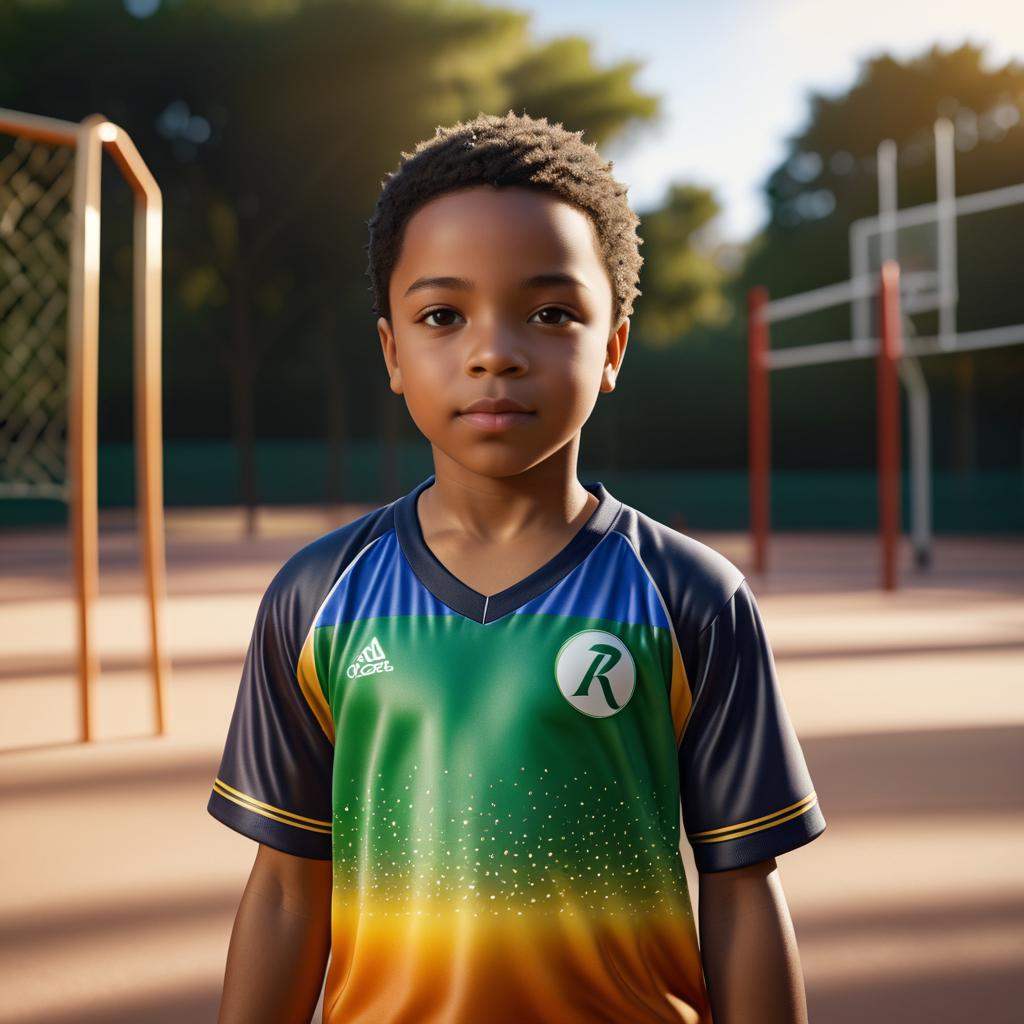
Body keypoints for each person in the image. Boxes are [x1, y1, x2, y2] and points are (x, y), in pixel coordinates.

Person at [208, 110, 826, 1024]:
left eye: (549, 313)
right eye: (442, 315)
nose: (493, 351)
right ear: (391, 351)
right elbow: (287, 891)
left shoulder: (691, 597)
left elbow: (740, 887)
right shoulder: (316, 595)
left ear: (612, 346)